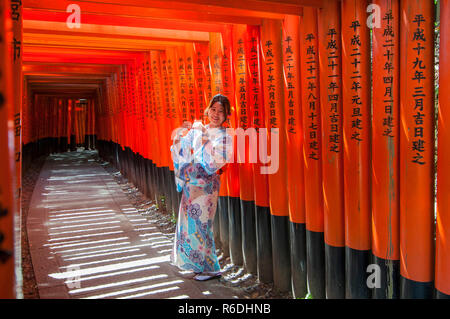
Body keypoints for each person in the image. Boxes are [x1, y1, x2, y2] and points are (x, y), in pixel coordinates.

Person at [170, 94, 233, 281]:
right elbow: (182, 148)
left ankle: (211, 268)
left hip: (207, 187)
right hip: (192, 184)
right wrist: (180, 141)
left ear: (226, 114)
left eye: (221, 111)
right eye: (213, 109)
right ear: (207, 110)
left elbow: (214, 163)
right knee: (189, 224)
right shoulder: (200, 129)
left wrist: (203, 138)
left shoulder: (225, 136)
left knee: (203, 225)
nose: (216, 114)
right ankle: (196, 265)